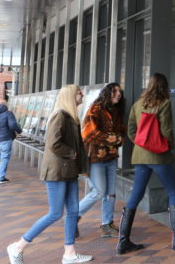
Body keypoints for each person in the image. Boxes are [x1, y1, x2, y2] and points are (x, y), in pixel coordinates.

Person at [7, 84, 92, 264]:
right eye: (79, 93)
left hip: (68, 170)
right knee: (55, 213)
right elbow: (53, 143)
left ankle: (69, 253)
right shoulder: (60, 116)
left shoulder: (71, 117)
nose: (82, 95)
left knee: (73, 211)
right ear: (71, 96)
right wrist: (73, 153)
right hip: (57, 172)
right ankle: (18, 247)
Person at [117, 73, 175, 255]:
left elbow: (130, 130)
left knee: (135, 195)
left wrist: (142, 143)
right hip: (159, 156)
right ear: (164, 86)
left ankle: (123, 242)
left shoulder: (137, 105)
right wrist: (169, 145)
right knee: (173, 192)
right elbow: (167, 129)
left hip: (140, 157)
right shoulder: (164, 104)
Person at [76, 83, 126, 238]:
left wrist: (119, 137)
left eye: (120, 91)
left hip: (111, 157)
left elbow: (121, 132)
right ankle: (72, 217)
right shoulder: (96, 108)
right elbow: (89, 134)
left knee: (110, 193)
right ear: (107, 93)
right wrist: (116, 138)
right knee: (98, 191)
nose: (118, 94)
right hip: (95, 157)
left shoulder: (116, 111)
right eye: (115, 91)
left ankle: (107, 224)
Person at [0, 95, 22, 184]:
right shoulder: (8, 113)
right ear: (5, 105)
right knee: (4, 158)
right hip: (5, 139)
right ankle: (1, 178)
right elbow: (12, 125)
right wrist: (19, 131)